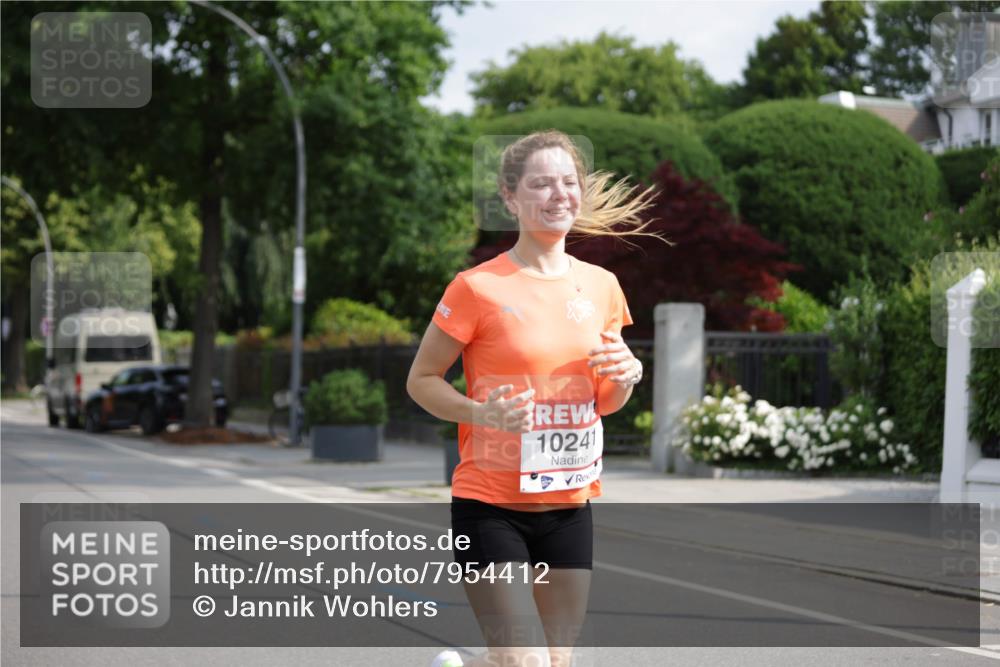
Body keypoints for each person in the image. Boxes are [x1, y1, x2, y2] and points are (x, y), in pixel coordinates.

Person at [407, 130, 669, 667]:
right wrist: (479, 412)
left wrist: (628, 373)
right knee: (523, 662)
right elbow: (422, 380)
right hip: (490, 506)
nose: (559, 194)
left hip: (570, 506)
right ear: (510, 197)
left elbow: (608, 400)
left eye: (568, 182)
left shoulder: (602, 286)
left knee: (552, 663)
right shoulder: (477, 288)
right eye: (542, 183)